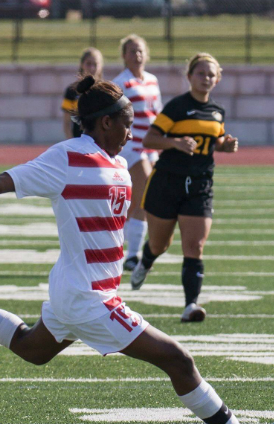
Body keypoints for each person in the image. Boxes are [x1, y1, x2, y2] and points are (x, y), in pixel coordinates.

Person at [0, 75, 274, 424]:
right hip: (88, 297)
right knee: (177, 359)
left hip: (80, 289)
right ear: (106, 122)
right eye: (127, 123)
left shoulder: (119, 163)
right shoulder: (66, 157)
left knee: (30, 348)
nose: (132, 131)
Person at [131, 53, 238, 323]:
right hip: (167, 182)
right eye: (200, 73)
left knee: (195, 246)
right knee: (160, 244)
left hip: (200, 185)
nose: (206, 79)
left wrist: (225, 145)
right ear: (189, 76)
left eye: (211, 75)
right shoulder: (177, 107)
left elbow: (215, 140)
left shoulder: (217, 111)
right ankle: (146, 261)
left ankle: (191, 305)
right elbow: (150, 138)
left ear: (218, 79)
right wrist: (176, 143)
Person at [112, 34, 163, 272]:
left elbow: (158, 112)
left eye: (140, 51)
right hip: (132, 146)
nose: (137, 55)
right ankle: (115, 247)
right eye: (132, 51)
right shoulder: (121, 82)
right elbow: (116, 116)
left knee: (143, 200)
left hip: (152, 145)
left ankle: (132, 254)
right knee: (144, 188)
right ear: (124, 56)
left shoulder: (152, 80)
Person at [62, 47, 104, 140]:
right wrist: (72, 142)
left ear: (101, 66)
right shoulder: (72, 90)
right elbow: (66, 123)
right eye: (88, 64)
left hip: (99, 143)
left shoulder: (105, 90)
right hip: (79, 140)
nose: (92, 68)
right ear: (82, 65)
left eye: (95, 64)